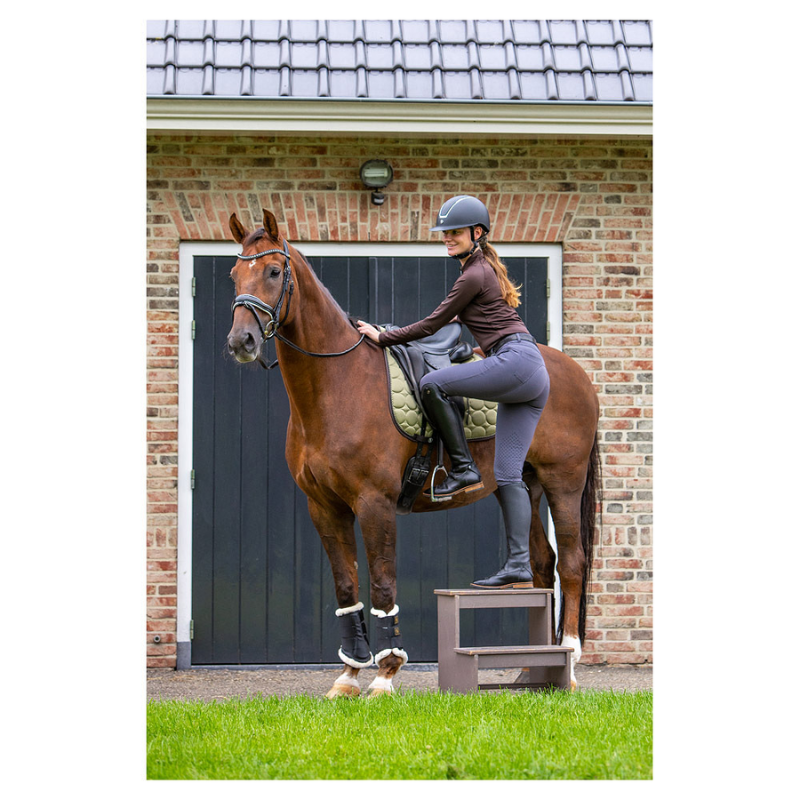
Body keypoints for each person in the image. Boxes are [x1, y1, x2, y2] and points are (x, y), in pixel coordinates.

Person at [357, 195, 550, 589]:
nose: (447, 238)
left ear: (477, 233)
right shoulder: (481, 270)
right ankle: (519, 564)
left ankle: (462, 468)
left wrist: (383, 337)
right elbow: (478, 324)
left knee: (432, 384)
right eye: (444, 232)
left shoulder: (473, 274)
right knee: (508, 474)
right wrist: (478, 349)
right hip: (530, 372)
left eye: (455, 232)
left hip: (516, 361)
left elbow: (433, 323)